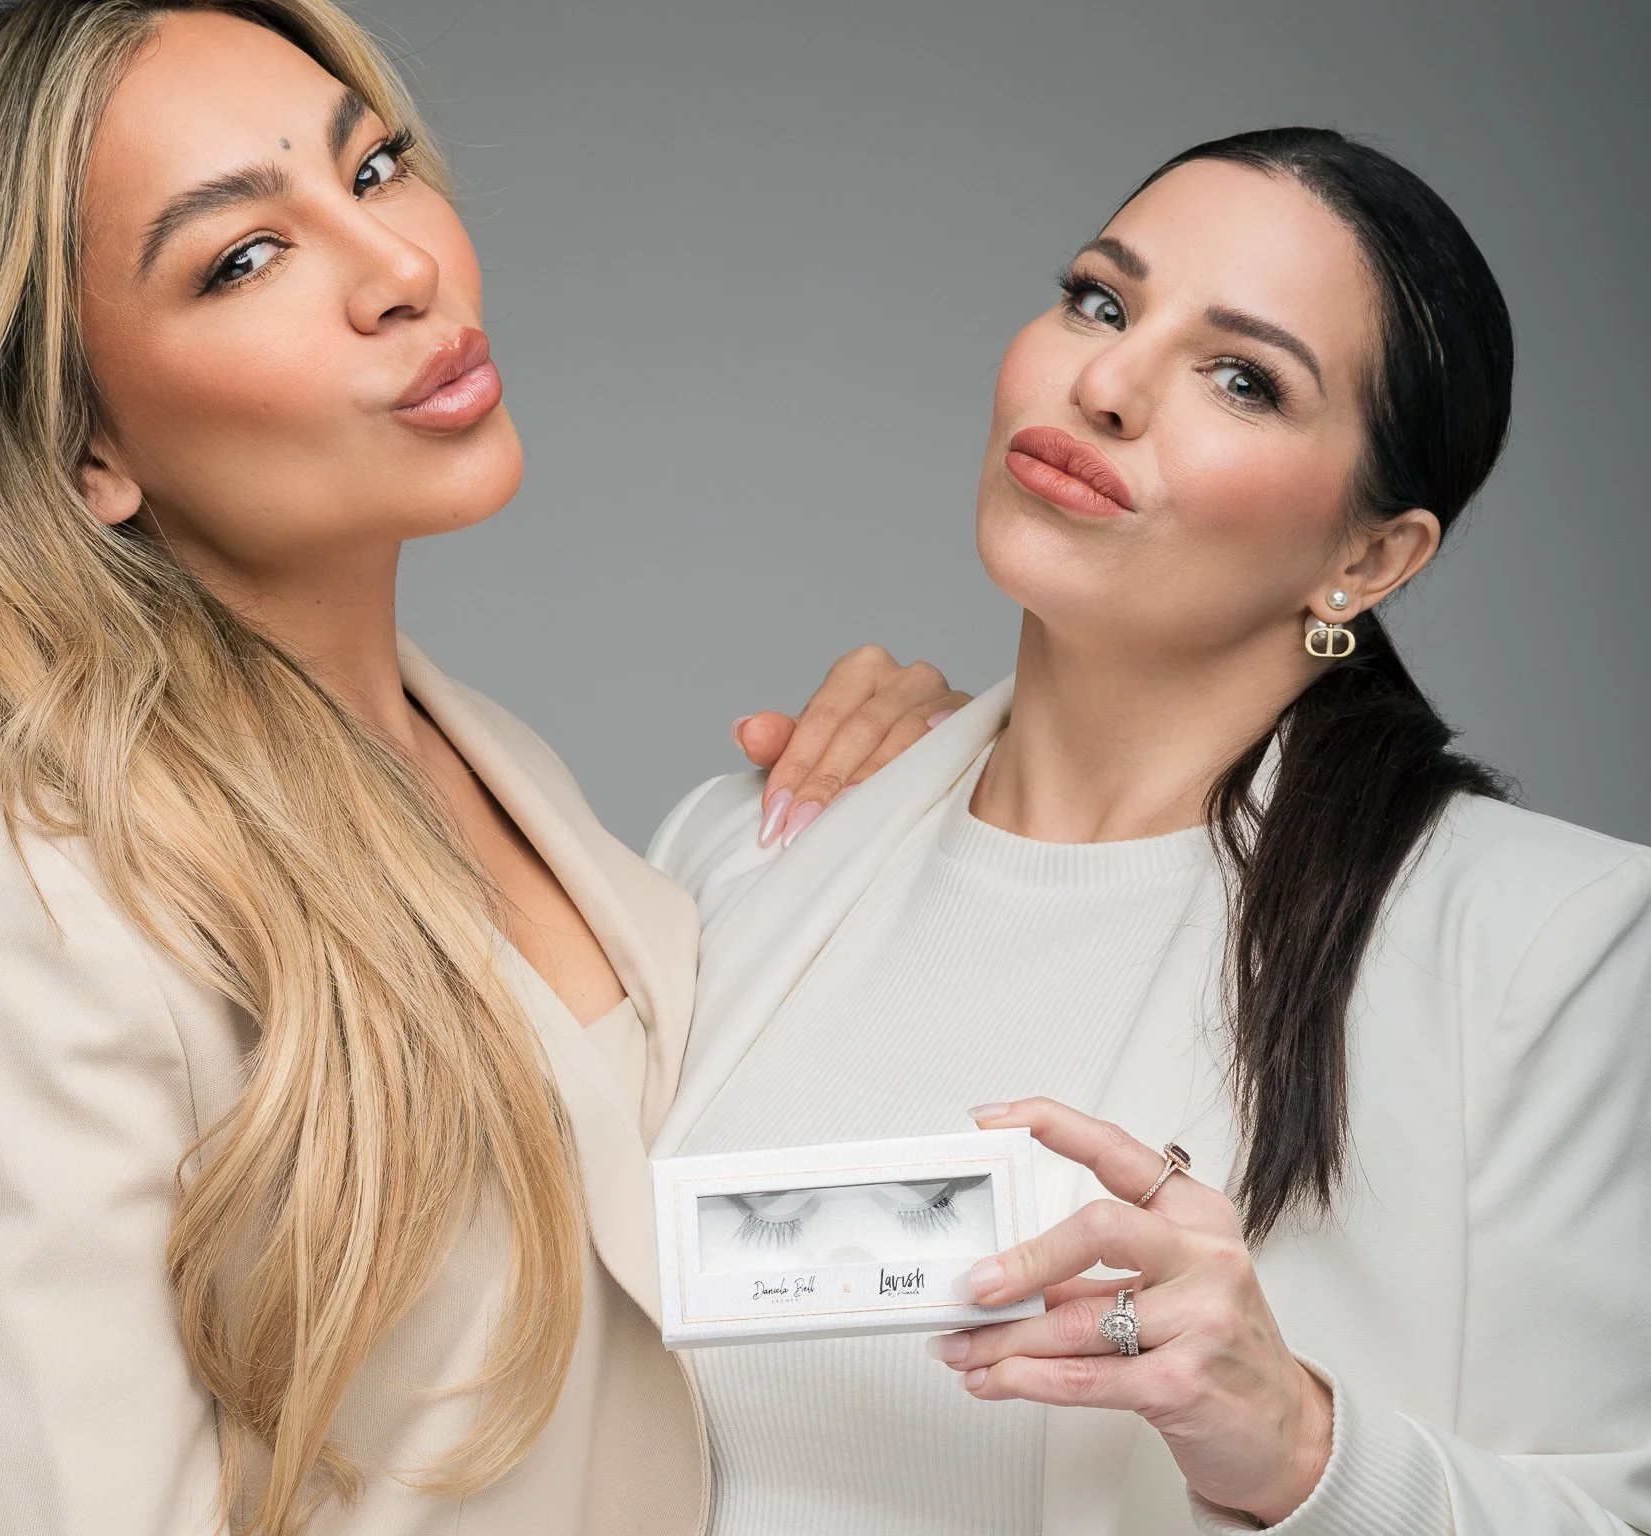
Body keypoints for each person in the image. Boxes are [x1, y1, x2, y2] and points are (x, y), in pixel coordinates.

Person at [0, 4, 965, 1534]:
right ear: (83, 450)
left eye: (378, 167)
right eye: (243, 259)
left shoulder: (504, 767)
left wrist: (923, 818)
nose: (404, 269)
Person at [652, 127, 1651, 1534]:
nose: (1106, 382)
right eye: (1100, 301)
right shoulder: (740, 854)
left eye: (1241, 378)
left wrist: (1296, 1445)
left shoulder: (1546, 947)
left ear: (1368, 560)